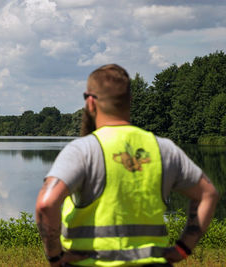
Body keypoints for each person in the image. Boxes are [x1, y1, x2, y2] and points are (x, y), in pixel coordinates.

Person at [35, 64, 220, 266]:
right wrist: (183, 248)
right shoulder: (163, 149)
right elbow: (207, 194)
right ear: (129, 101)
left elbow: (46, 204)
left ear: (90, 102)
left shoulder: (83, 150)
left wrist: (55, 256)